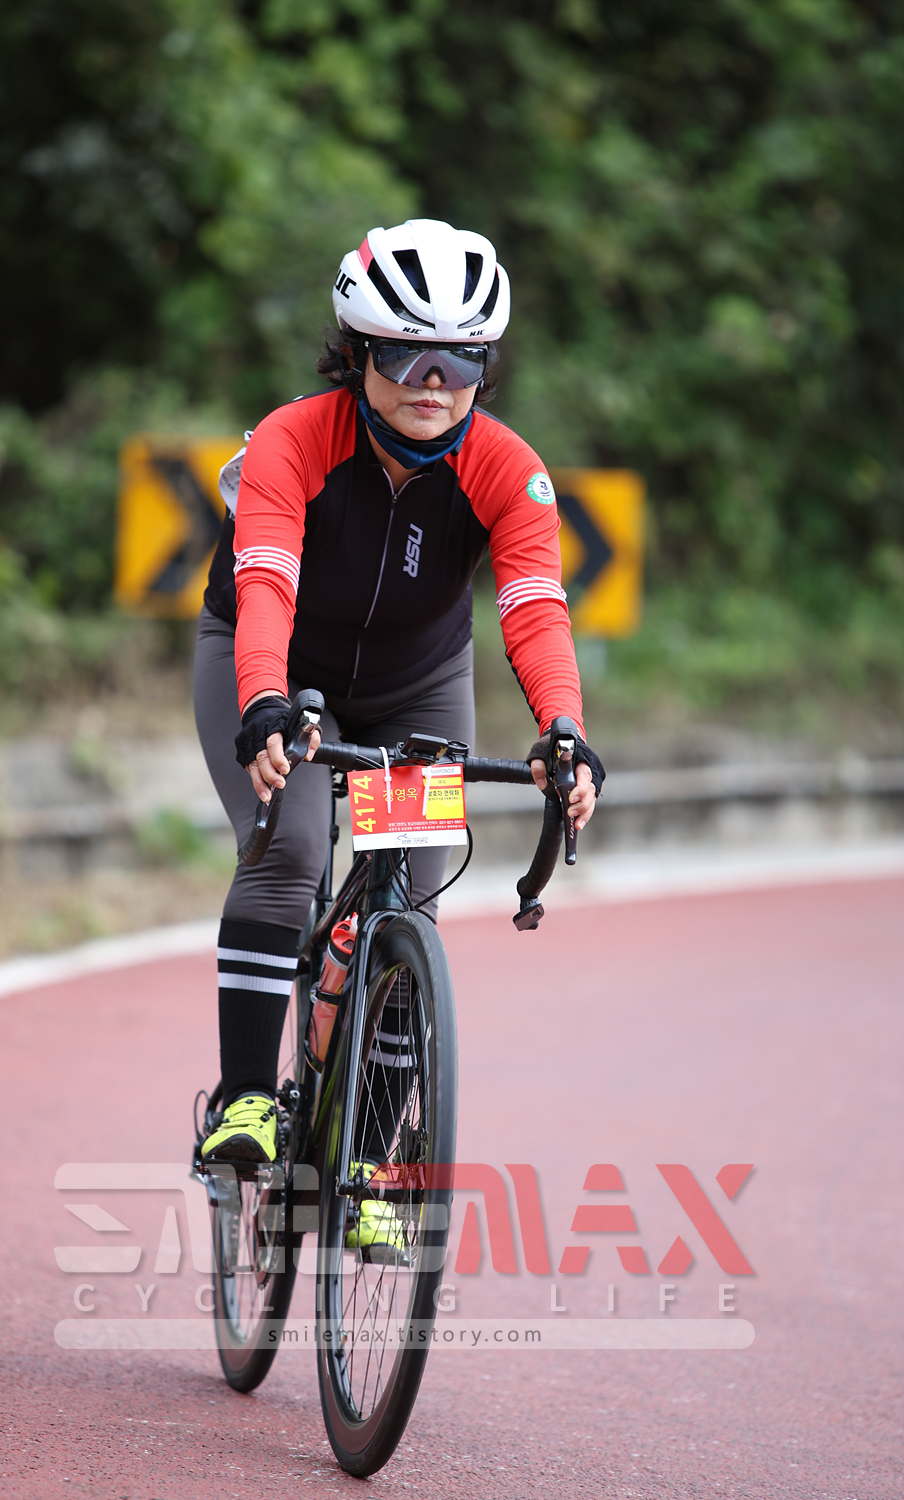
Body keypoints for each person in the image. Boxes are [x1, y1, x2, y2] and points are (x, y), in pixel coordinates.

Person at [192, 219, 605, 1248]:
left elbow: (533, 607)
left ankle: (370, 1162)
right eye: (404, 357)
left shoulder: (509, 468)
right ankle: (245, 1102)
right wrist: (263, 702)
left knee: (409, 897)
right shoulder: (294, 439)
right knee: (290, 849)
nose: (433, 383)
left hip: (417, 688)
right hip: (274, 667)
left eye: (460, 361)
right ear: (355, 354)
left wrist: (562, 727)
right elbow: (266, 579)